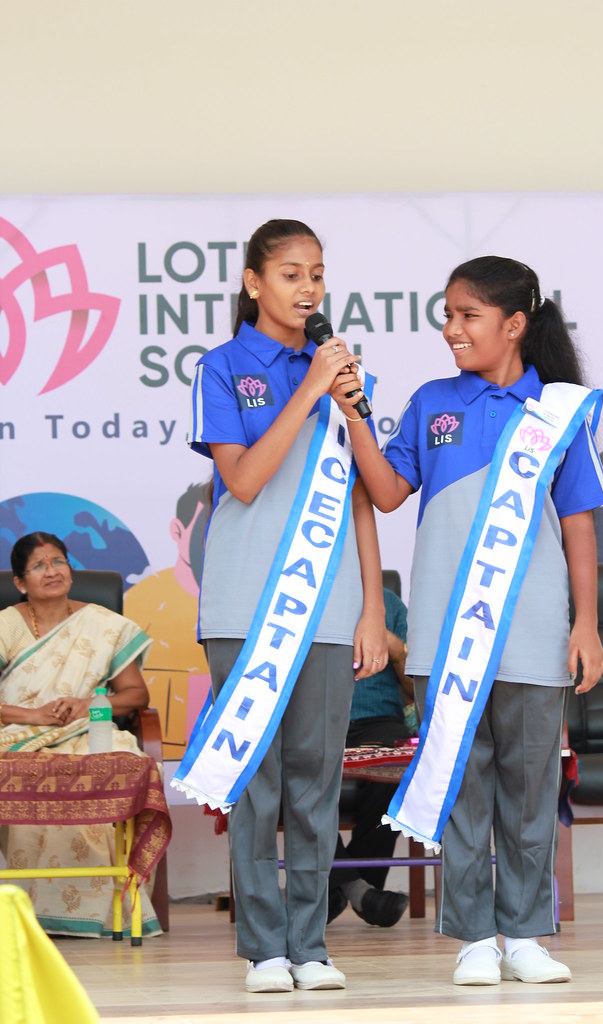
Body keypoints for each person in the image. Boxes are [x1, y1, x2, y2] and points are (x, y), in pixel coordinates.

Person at [331, 256, 603, 985]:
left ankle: (524, 934)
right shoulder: (431, 402)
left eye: (467, 316)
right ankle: (473, 939)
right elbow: (387, 491)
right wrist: (355, 415)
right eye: (446, 315)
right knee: (459, 785)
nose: (451, 329)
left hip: (533, 629)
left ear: (513, 324)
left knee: (526, 787)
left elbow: (578, 524)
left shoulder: (557, 410)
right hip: (442, 633)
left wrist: (586, 626)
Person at [184, 219, 387, 993]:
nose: (308, 289)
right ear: (253, 283)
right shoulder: (224, 367)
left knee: (316, 782)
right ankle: (264, 946)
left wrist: (372, 605)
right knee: (255, 779)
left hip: (330, 607)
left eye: (317, 275)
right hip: (246, 606)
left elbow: (365, 500)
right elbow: (243, 480)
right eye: (292, 274)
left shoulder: (342, 376)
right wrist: (309, 390)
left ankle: (311, 942)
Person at [0, 531, 161, 938]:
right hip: (18, 731)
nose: (51, 571)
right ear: (20, 582)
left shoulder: (104, 624)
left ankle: (104, 910)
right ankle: (30, 910)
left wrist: (89, 703)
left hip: (89, 727)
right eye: (39, 566)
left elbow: (136, 695)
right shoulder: (6, 626)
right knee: (31, 769)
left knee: (114, 765)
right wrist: (35, 714)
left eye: (58, 561)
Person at [328, 585, 413, 927]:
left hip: (379, 720)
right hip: (317, 717)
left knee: (392, 779)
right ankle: (359, 891)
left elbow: (414, 687)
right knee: (300, 781)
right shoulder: (302, 593)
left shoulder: (389, 604)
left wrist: (396, 650)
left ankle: (336, 891)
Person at [124, 482, 211, 759]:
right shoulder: (140, 602)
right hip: (165, 756)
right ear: (177, 531)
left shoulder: (249, 599)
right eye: (204, 528)